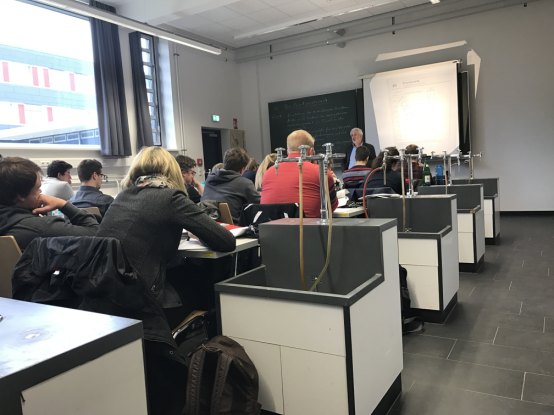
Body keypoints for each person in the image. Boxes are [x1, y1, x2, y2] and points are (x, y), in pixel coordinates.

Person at [97, 147, 235, 322]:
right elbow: (226, 241)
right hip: (142, 303)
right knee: (207, 277)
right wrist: (200, 234)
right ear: (173, 170)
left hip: (105, 295)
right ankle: (217, 332)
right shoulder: (170, 197)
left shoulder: (122, 196)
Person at [0, 157, 99, 250]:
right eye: (37, 188)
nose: (40, 191)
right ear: (21, 195)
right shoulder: (41, 227)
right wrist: (62, 204)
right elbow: (97, 235)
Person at [261, 130, 338, 217]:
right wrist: (315, 167)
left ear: (288, 152)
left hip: (268, 225)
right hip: (307, 225)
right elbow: (331, 207)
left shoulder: (268, 173)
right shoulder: (321, 172)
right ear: (311, 151)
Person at [202, 148, 261, 224]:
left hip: (207, 226)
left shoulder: (209, 180)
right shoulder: (245, 183)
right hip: (233, 228)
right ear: (242, 170)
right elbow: (259, 206)